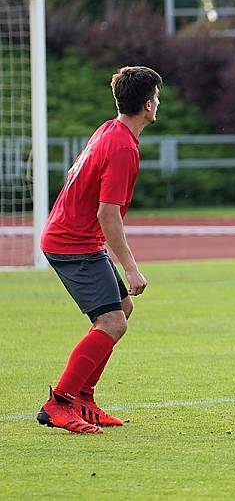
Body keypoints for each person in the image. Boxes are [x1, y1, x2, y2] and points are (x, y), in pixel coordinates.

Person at [36, 66, 162, 434]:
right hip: (71, 242)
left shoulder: (111, 128)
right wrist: (132, 268)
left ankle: (83, 398)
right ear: (148, 103)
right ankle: (59, 403)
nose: (158, 102)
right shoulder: (122, 146)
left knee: (122, 308)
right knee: (111, 322)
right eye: (156, 96)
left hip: (77, 237)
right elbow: (107, 214)